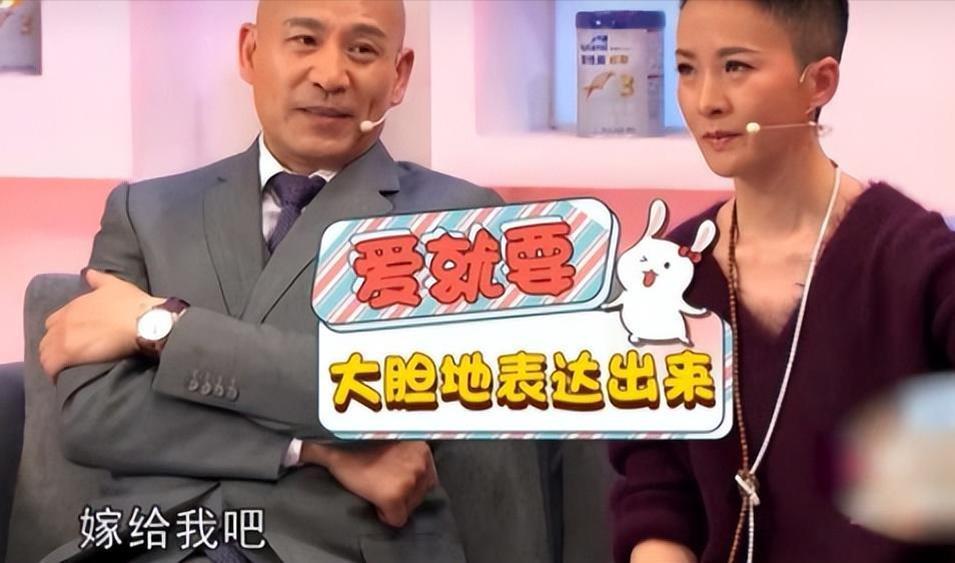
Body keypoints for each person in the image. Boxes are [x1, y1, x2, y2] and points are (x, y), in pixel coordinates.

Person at [37, 1, 520, 562]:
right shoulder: (145, 210)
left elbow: (396, 391)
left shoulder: (462, 222)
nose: (331, 75)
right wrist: (312, 449)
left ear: (399, 75)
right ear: (250, 52)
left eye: (362, 49)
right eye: (305, 40)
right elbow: (93, 417)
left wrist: (167, 328)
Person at [609, 1, 955, 562]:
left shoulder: (917, 264)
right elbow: (655, 492)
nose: (706, 100)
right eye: (687, 68)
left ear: (819, 83)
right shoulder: (667, 275)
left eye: (736, 67)